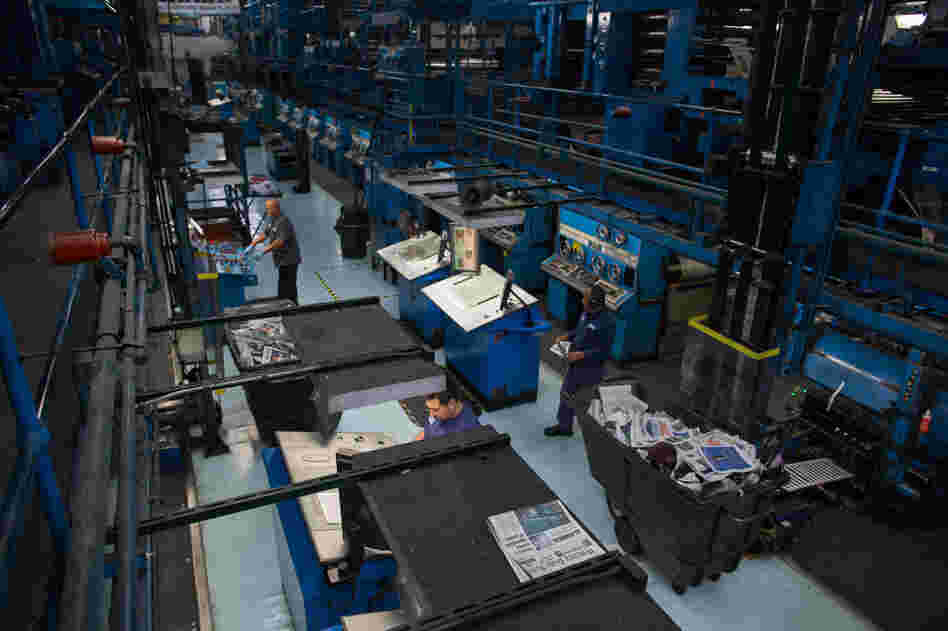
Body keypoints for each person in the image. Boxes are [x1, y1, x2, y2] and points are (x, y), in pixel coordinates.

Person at [546, 284, 611, 437]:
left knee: (586, 401)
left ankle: (595, 436)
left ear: (593, 303)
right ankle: (564, 426)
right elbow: (579, 330)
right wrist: (567, 336)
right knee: (567, 394)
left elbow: (603, 352)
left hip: (591, 368)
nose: (582, 301)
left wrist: (582, 354)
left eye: (585, 299)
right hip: (576, 364)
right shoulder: (586, 314)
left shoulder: (607, 323)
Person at [249, 199, 302, 304]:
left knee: (289, 284)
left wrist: (263, 251)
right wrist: (253, 243)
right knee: (282, 283)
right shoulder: (273, 219)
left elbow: (280, 241)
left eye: (269, 208)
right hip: (281, 259)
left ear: (276, 208)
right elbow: (266, 234)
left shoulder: (283, 221)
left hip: (289, 259)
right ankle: (284, 303)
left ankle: (293, 305)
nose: (267, 210)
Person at [414, 388, 481, 441]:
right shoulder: (441, 414)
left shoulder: (465, 432)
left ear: (451, 404)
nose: (431, 414)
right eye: (429, 409)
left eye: (435, 410)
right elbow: (427, 431)